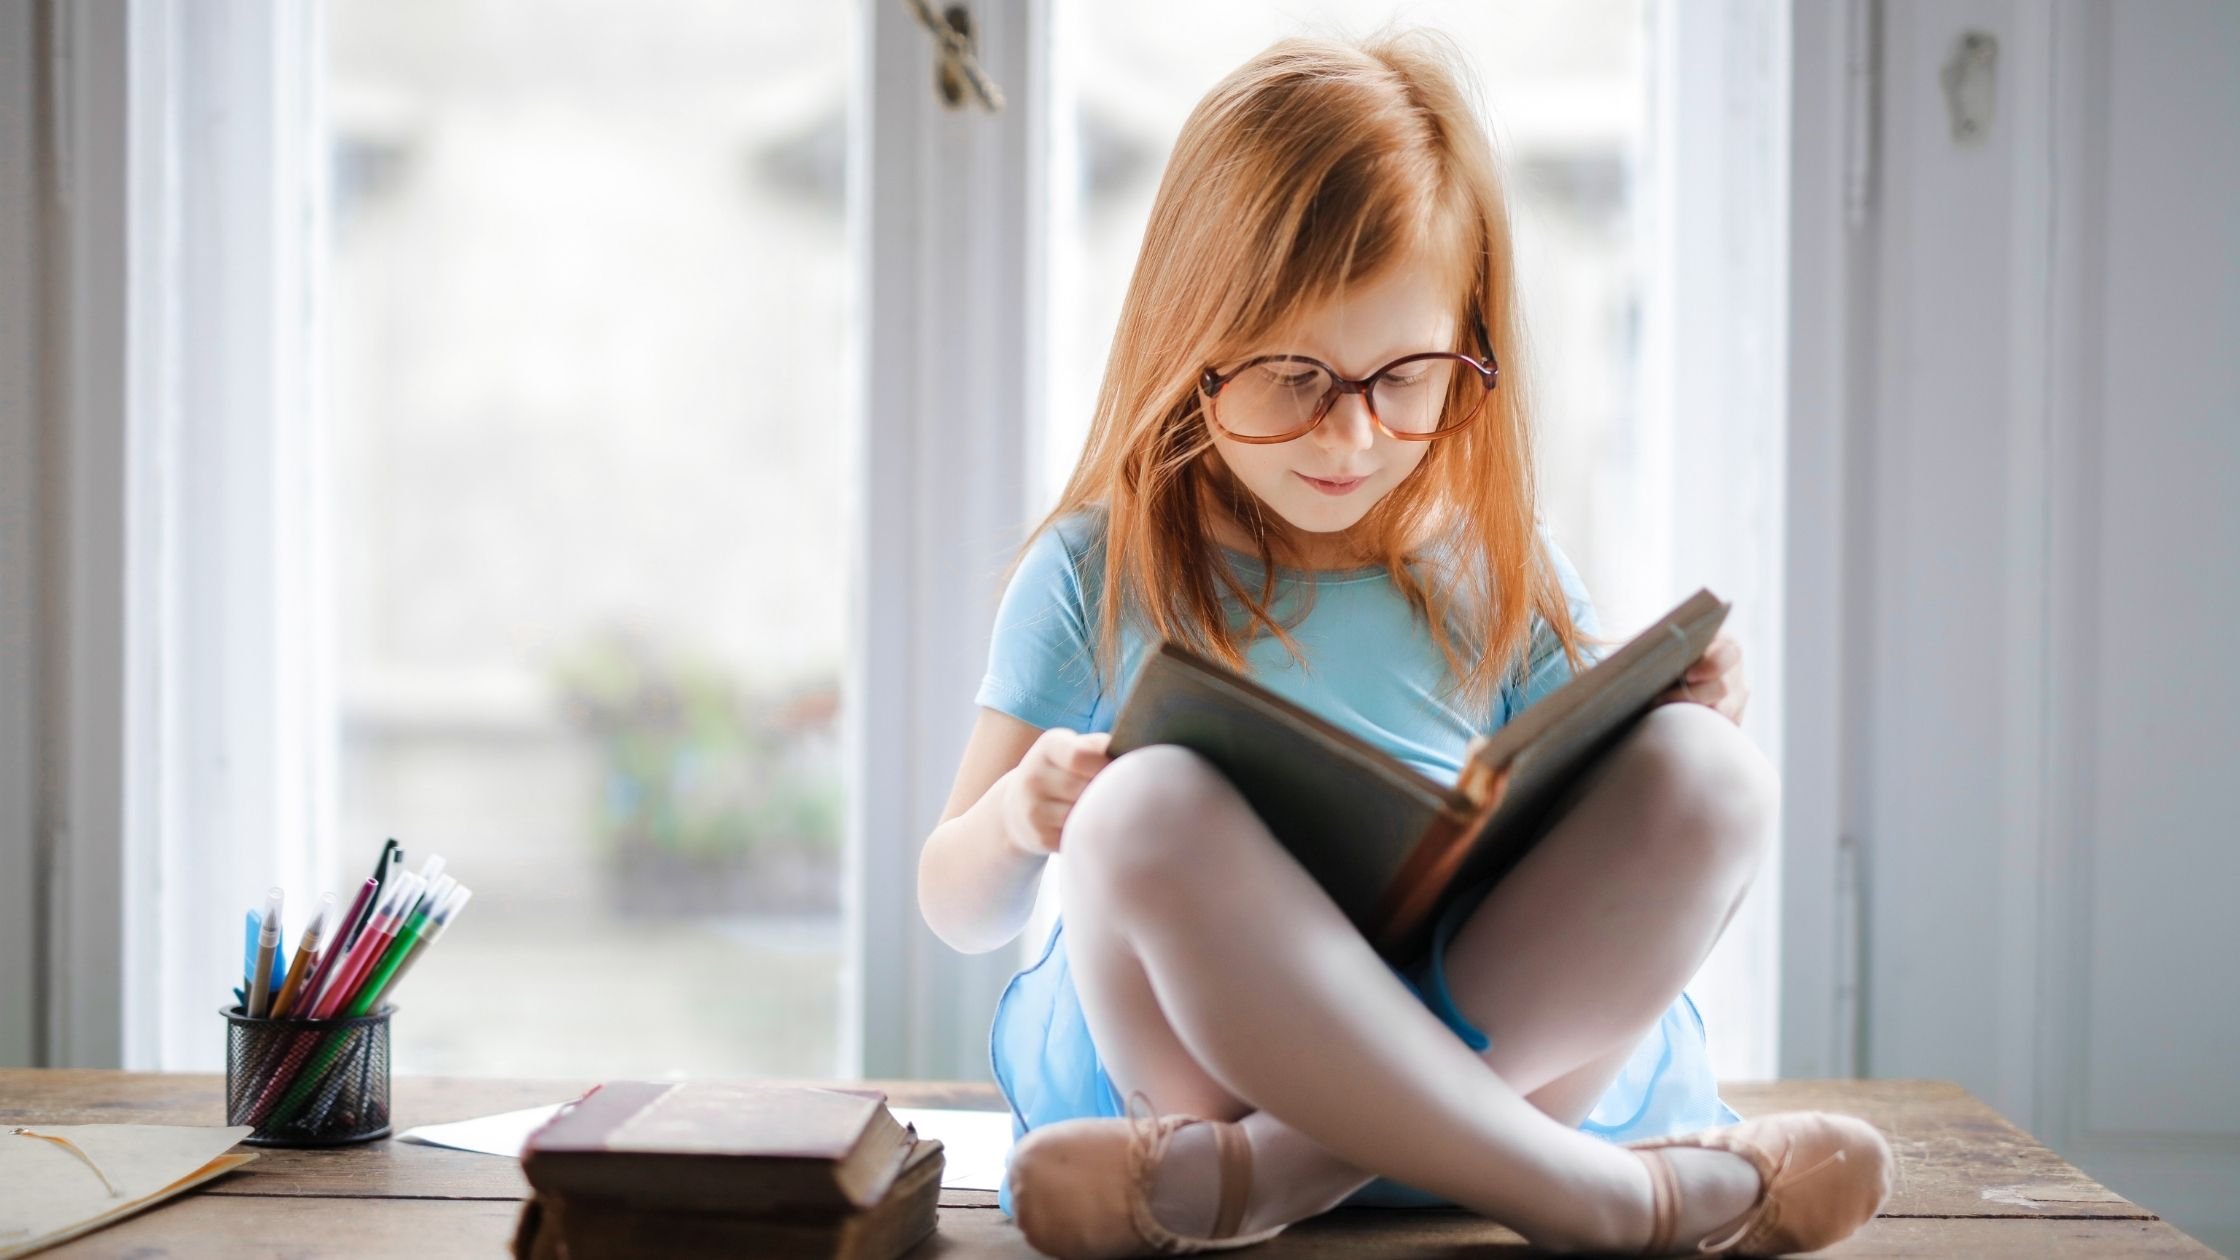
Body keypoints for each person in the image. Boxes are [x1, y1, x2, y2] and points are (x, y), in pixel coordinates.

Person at [915, 30, 1892, 1259]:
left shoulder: (1493, 562)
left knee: (1712, 776)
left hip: (1443, 1080)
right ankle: (1605, 1201)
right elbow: (952, 904)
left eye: (1406, 378)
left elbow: (1603, 817)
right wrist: (1020, 818)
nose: (1352, 437)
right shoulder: (1096, 569)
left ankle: (1274, 1177)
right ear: (1188, 344)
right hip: (1198, 1084)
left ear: (1465, 350)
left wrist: (1685, 708)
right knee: (1137, 807)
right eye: (1289, 377)